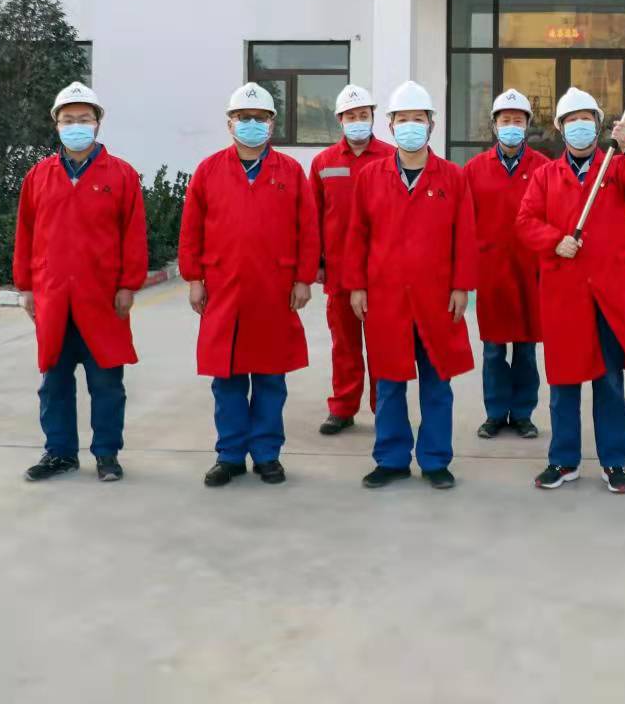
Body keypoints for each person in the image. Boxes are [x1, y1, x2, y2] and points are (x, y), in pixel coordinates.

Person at [517, 87, 625, 495]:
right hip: (565, 294)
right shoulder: (545, 176)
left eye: (587, 119)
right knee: (563, 382)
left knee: (609, 383)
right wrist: (553, 240)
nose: (580, 126)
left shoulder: (616, 166)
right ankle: (564, 459)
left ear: (598, 126)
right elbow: (525, 222)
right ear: (560, 128)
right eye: (572, 120)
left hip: (608, 293)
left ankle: (614, 462)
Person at [179, 83, 319, 488]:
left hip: (274, 291)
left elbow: (308, 229)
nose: (252, 124)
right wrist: (194, 279)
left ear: (272, 124)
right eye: (244, 118)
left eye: (260, 118)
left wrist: (303, 278)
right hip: (223, 290)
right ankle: (229, 455)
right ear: (230, 123)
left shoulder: (290, 172)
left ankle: (267, 454)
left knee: (271, 378)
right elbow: (191, 230)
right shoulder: (208, 170)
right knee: (228, 379)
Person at [342, 81, 478, 490]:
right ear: (390, 125)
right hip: (385, 298)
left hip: (437, 299)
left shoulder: (452, 177)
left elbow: (465, 235)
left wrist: (461, 286)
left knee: (437, 383)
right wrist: (356, 285)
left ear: (431, 125)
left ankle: (435, 460)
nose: (411, 126)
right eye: (403, 120)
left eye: (418, 119)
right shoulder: (371, 177)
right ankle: (391, 459)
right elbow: (357, 234)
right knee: (388, 383)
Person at [14, 82, 149, 483]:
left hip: (102, 298)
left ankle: (107, 454)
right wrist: (26, 287)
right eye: (68, 119)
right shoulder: (39, 176)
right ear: (56, 124)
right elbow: (25, 233)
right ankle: (59, 453)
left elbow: (134, 234)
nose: (77, 126)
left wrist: (128, 285)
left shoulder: (121, 175)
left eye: (84, 119)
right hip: (53, 296)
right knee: (54, 382)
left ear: (98, 123)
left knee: (107, 382)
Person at [463, 88, 551, 439]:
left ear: (527, 125)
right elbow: (464, 223)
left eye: (518, 120)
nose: (511, 126)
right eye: (505, 120)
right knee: (493, 351)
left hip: (532, 273)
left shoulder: (543, 168)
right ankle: (496, 413)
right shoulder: (474, 170)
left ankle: (524, 414)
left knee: (527, 351)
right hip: (493, 274)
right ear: (494, 125)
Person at [309, 84, 394, 436]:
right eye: (351, 116)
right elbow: (312, 217)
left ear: (373, 117)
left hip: (381, 272)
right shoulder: (324, 163)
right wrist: (315, 262)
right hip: (339, 271)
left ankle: (384, 409)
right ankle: (343, 408)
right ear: (339, 120)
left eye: (363, 114)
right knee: (344, 345)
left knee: (382, 346)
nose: (358, 120)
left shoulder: (392, 158)